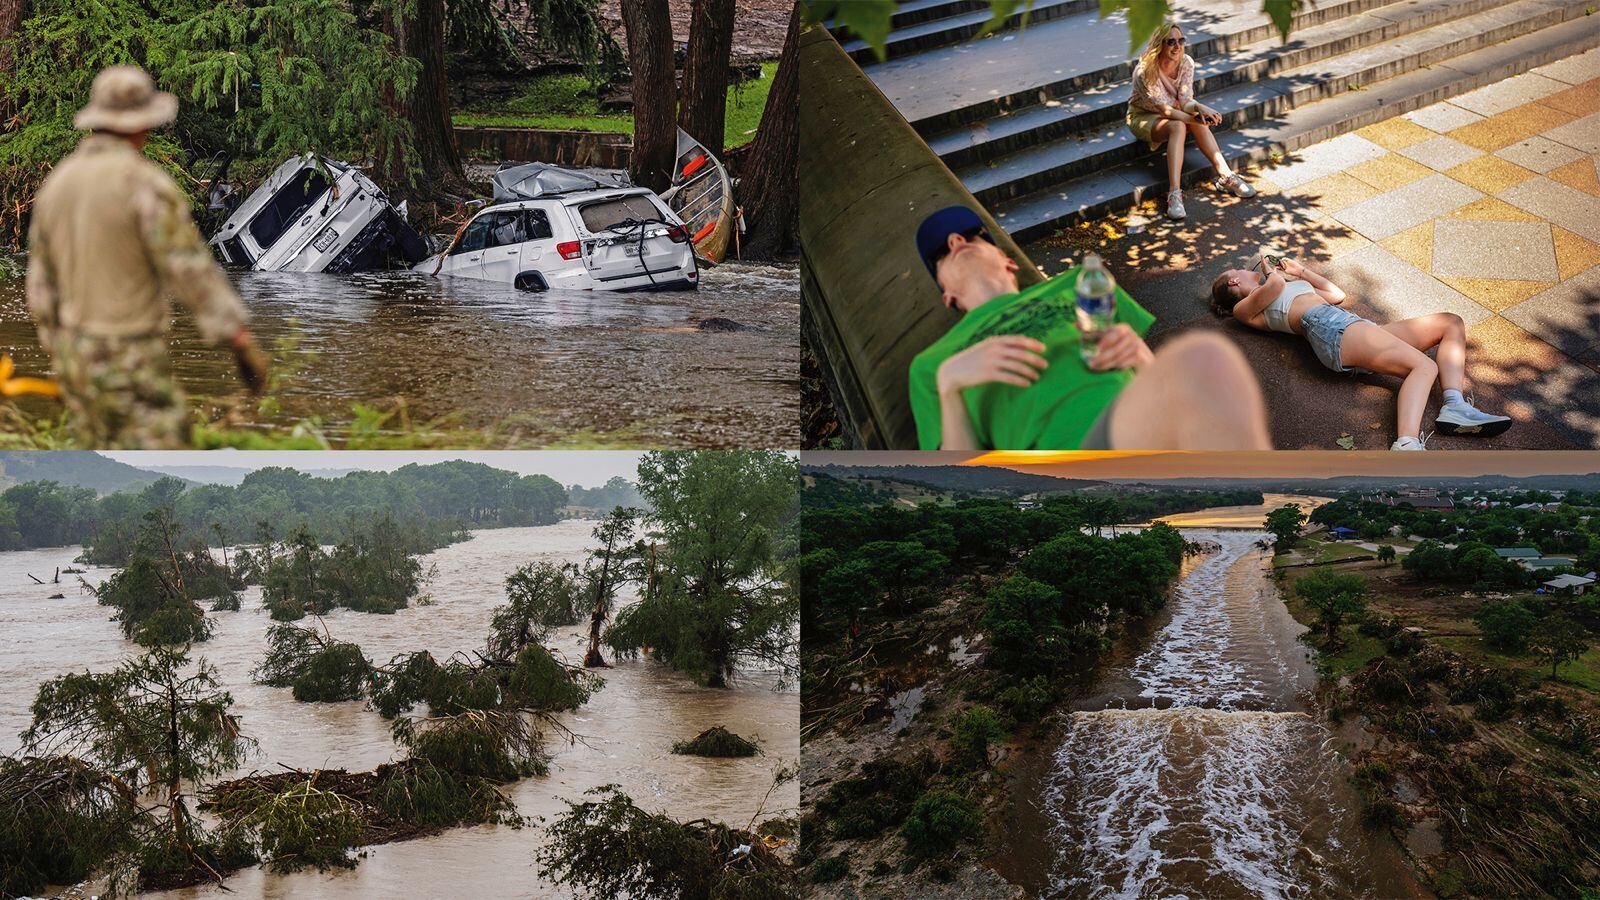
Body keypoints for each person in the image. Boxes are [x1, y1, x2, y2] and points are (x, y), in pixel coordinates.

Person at [25, 65, 267, 449]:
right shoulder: (144, 184)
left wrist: (62, 352)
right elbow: (188, 269)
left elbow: (39, 289)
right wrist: (237, 336)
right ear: (142, 125)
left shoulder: (57, 185)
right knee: (167, 451)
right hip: (130, 357)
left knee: (98, 452)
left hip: (74, 357)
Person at [908, 205, 1271, 451]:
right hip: (1060, 464)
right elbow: (960, 483)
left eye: (972, 236)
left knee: (1208, 358)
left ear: (1007, 262)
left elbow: (1151, 376)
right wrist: (951, 385)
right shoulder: (934, 365)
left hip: (1137, 425)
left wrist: (1142, 357)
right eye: (943, 252)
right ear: (948, 297)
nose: (956, 241)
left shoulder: (1078, 282)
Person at [1210, 255, 1512, 450]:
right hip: (1332, 331)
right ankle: (1406, 445)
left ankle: (1454, 404)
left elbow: (1336, 295)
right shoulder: (1244, 308)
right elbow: (1275, 285)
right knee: (1424, 367)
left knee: (1450, 323)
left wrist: (1300, 271)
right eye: (1239, 269)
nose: (1244, 269)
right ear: (1234, 281)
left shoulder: (1282, 286)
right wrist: (1270, 270)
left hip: (1350, 327)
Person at [1127, 22, 1255, 220]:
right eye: (1171, 42)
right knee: (1183, 124)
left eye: (1181, 40)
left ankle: (1226, 176)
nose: (1177, 46)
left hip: (1174, 111)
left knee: (1194, 119)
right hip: (1143, 116)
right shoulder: (1145, 71)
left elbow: (1185, 100)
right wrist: (1196, 119)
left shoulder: (1186, 62)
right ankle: (1174, 194)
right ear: (1159, 44)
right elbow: (1165, 110)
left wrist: (1200, 108)